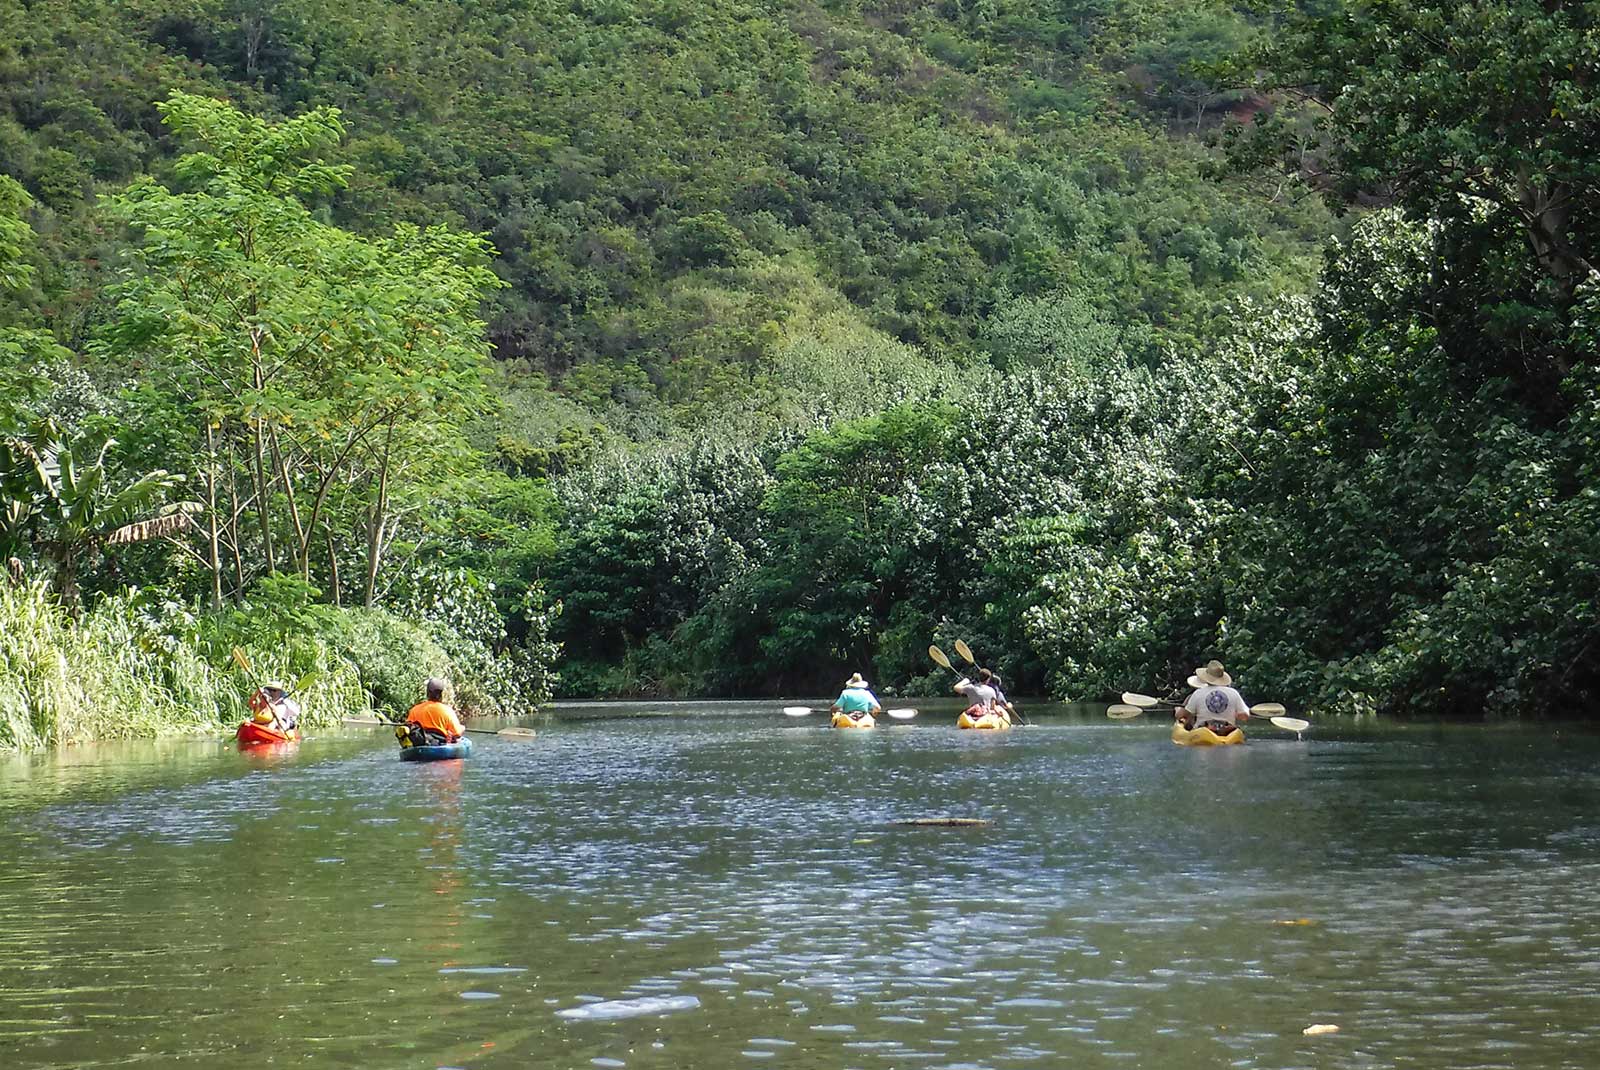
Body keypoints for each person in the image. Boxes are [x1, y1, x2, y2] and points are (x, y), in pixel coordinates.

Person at [1174, 660, 1251, 736]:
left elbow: (1184, 715)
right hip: (1227, 732)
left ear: (1206, 676)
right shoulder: (1234, 693)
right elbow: (1245, 716)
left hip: (1204, 732)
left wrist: (1178, 711)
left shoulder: (1198, 692)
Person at [399, 677, 465, 747]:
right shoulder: (448, 711)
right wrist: (462, 728)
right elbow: (457, 733)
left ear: (427, 693)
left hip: (420, 743)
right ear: (441, 694)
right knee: (456, 739)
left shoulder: (414, 710)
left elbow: (408, 726)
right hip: (439, 745)